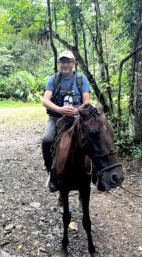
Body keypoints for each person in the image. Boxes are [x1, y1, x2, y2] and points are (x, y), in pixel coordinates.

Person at [42, 51, 90, 192]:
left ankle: (96, 172)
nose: (66, 65)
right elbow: (45, 100)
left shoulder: (81, 80)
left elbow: (87, 101)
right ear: (59, 63)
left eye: (68, 61)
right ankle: (52, 172)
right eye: (63, 62)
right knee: (46, 140)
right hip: (56, 118)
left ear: (74, 63)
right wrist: (59, 110)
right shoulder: (53, 79)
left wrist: (77, 110)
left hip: (77, 118)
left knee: (93, 139)